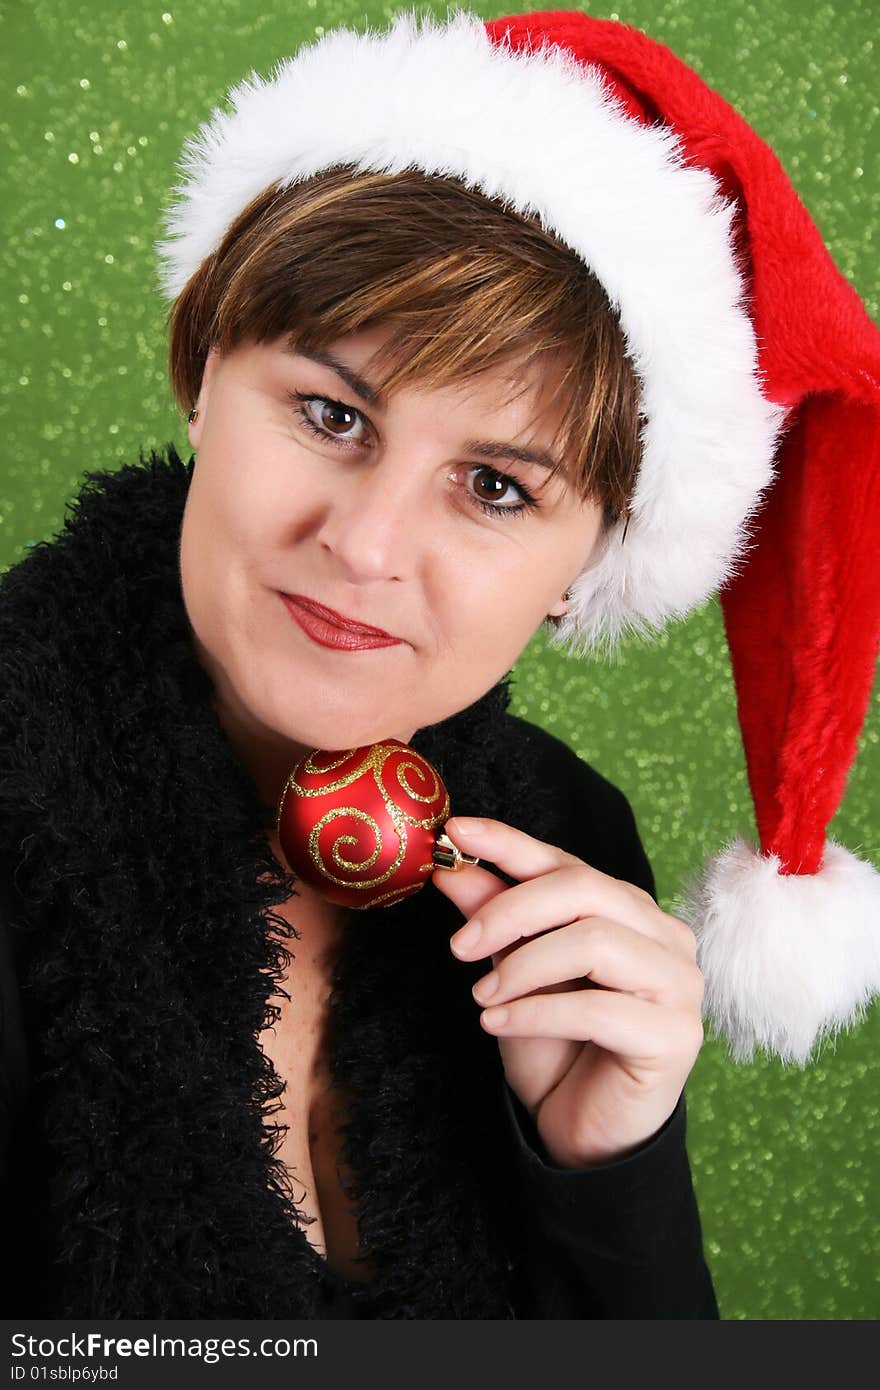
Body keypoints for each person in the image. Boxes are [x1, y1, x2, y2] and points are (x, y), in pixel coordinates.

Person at [1, 6, 878, 1320]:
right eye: (330, 412)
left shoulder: (565, 843)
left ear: (590, 563)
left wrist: (607, 1170)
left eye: (494, 487)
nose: (363, 543)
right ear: (200, 370)